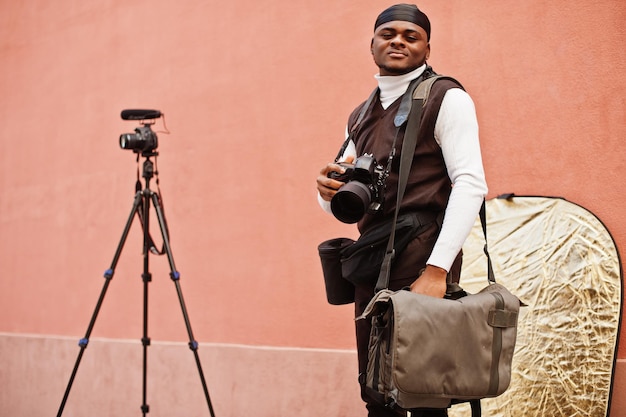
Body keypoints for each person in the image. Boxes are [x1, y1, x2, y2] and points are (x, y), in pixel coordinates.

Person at [316, 4, 488, 417]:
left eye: (411, 36)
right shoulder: (360, 114)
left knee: (424, 394)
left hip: (421, 258)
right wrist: (325, 192)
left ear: (428, 47)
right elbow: (348, 201)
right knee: (375, 391)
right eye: (387, 33)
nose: (398, 40)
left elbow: (471, 184)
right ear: (372, 43)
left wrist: (437, 271)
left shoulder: (447, 97)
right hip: (372, 259)